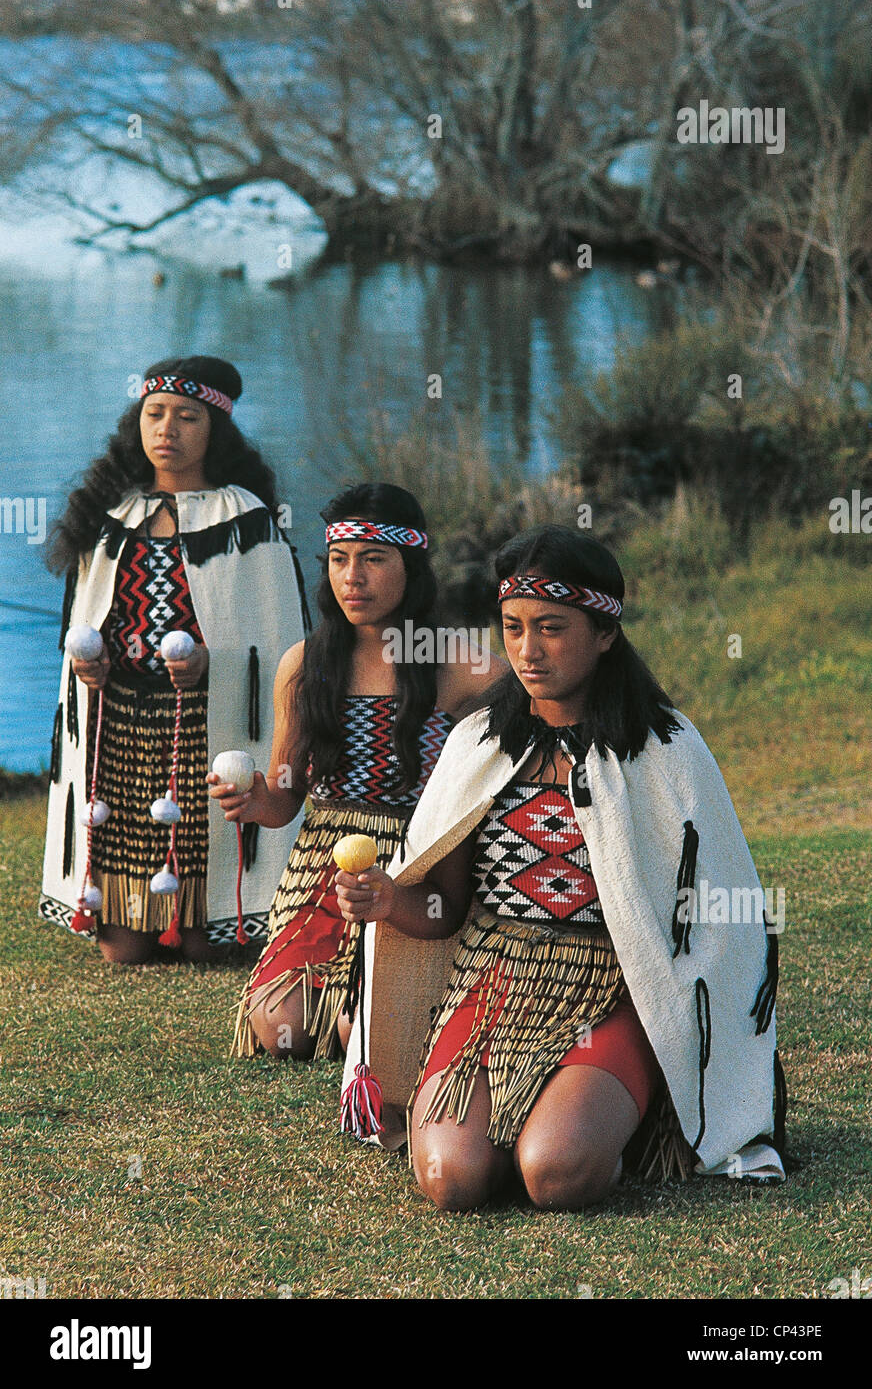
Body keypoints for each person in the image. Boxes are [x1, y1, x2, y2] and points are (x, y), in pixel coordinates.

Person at [337, 525, 787, 1207]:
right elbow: (444, 909)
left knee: (555, 1175)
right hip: (489, 983)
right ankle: (547, 1122)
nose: (527, 649)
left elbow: (716, 916)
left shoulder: (665, 750)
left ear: (604, 633)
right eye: (513, 627)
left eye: (551, 628)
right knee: (450, 1180)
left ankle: (623, 1120)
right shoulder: (479, 745)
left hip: (614, 986)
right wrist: (387, 904)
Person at [216, 483, 507, 1117]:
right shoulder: (306, 663)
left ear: (412, 566)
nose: (354, 578)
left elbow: (522, 755)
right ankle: (351, 1003)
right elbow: (285, 799)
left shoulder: (462, 664)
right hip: (324, 864)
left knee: (358, 1031)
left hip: (421, 863)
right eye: (341, 560)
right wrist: (248, 799)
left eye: (375, 559)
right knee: (277, 1024)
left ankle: (376, 1009)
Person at [41, 355, 307, 965]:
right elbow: (86, 618)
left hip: (205, 728)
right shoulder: (114, 518)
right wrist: (91, 664)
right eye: (154, 414)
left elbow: (279, 640)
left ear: (215, 429)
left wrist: (215, 661)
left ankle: (215, 915)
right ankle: (128, 912)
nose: (167, 429)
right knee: (123, 951)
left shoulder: (244, 520)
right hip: (119, 727)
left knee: (202, 944)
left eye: (187, 416)